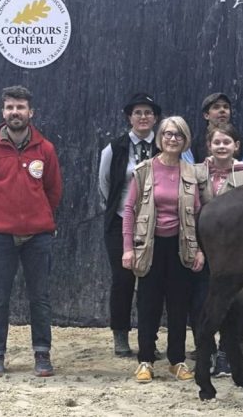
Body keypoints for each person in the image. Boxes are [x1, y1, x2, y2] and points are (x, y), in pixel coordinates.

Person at [0, 85, 63, 378]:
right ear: (3, 112)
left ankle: (42, 355)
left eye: (20, 107)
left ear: (30, 112)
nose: (15, 112)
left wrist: (37, 216)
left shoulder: (45, 148)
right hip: (0, 235)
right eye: (10, 107)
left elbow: (53, 190)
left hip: (38, 236)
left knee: (41, 298)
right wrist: (1, 213)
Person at [122, 116, 205, 383]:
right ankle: (145, 360)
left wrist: (201, 249)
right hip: (150, 247)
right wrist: (128, 249)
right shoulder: (145, 169)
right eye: (168, 134)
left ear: (185, 140)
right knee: (148, 306)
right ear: (160, 137)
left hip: (181, 248)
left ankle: (177, 361)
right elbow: (128, 210)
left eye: (178, 135)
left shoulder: (191, 172)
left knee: (179, 307)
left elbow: (201, 213)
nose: (172, 139)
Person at [98, 92, 161, 358]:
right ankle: (120, 335)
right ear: (129, 117)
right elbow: (104, 186)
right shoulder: (115, 148)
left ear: (155, 118)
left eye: (148, 113)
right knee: (122, 281)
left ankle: (150, 338)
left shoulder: (165, 145)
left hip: (157, 225)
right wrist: (121, 211)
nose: (143, 117)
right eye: (138, 113)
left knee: (153, 283)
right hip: (121, 222)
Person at [194, 123, 243, 377]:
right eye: (217, 142)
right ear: (209, 145)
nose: (221, 146)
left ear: (236, 146)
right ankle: (204, 352)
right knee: (201, 301)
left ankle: (224, 355)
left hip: (233, 252)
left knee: (229, 304)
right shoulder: (195, 173)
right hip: (201, 247)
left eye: (227, 142)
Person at [182, 92, 243, 171]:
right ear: (206, 115)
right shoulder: (190, 144)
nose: (222, 110)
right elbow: (188, 176)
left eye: (226, 107)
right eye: (216, 107)